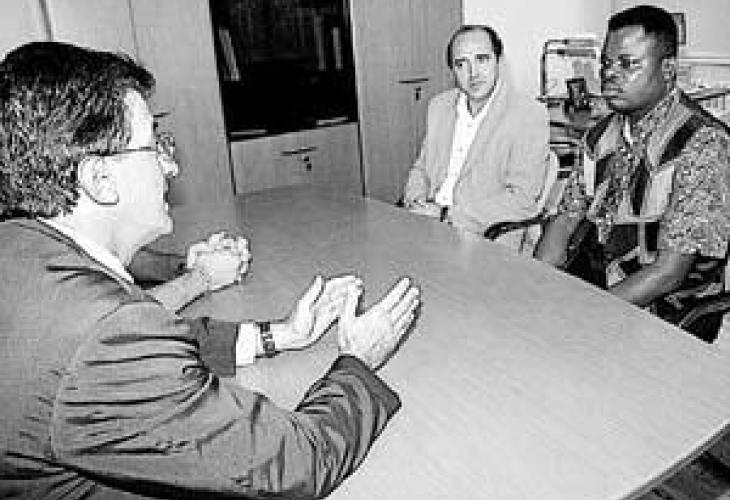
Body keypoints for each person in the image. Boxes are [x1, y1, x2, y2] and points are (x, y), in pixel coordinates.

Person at [0, 41, 421, 499]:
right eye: (156, 146)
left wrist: (277, 335)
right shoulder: (105, 340)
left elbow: (150, 340)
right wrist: (358, 361)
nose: (172, 166)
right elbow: (294, 464)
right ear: (100, 180)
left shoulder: (19, 245)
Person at [535, 5, 730, 342]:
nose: (610, 74)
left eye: (628, 64)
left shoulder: (702, 143)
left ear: (668, 69)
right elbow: (566, 219)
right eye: (606, 63)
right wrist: (537, 283)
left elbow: (669, 273)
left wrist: (585, 315)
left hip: (665, 310)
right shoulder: (599, 135)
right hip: (598, 288)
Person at [402, 24, 551, 250]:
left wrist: (446, 215)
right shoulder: (439, 106)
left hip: (482, 236)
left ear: (499, 61)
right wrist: (416, 203)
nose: (473, 73)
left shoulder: (528, 114)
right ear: (452, 71)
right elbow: (421, 168)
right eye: (461, 64)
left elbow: (521, 199)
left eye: (482, 59)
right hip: (428, 227)